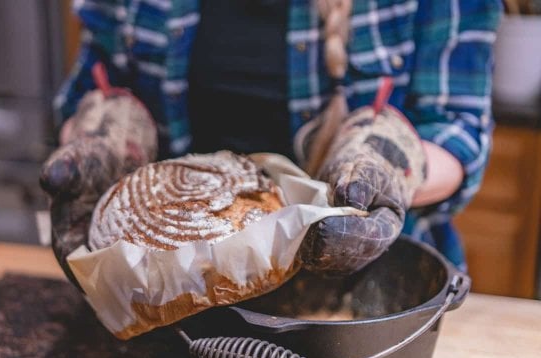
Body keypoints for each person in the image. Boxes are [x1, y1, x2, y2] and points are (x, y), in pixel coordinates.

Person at [40, 0, 502, 287]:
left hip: (366, 304)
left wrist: (384, 163)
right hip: (170, 291)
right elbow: (92, 84)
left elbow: (456, 131)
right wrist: (104, 136)